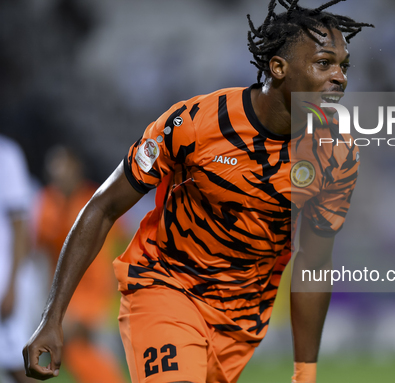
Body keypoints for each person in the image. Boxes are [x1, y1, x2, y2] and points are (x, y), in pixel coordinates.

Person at [23, 1, 373, 382]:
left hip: (239, 324)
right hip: (165, 286)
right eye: (324, 63)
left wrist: (306, 372)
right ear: (278, 67)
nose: (339, 77)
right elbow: (104, 207)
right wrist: (52, 318)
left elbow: (313, 263)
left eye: (343, 66)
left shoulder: (336, 152)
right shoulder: (195, 123)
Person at [35, 146, 128, 383]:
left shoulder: (97, 200)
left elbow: (122, 242)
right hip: (69, 298)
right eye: (54, 170)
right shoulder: (47, 203)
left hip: (99, 297)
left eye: (63, 168)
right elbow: (45, 255)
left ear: (77, 169)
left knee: (100, 356)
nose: (58, 175)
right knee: (80, 358)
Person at [0, 135, 36, 383]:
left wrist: (12, 285)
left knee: (18, 367)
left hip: (4, 277)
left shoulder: (6, 154)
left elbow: (21, 226)